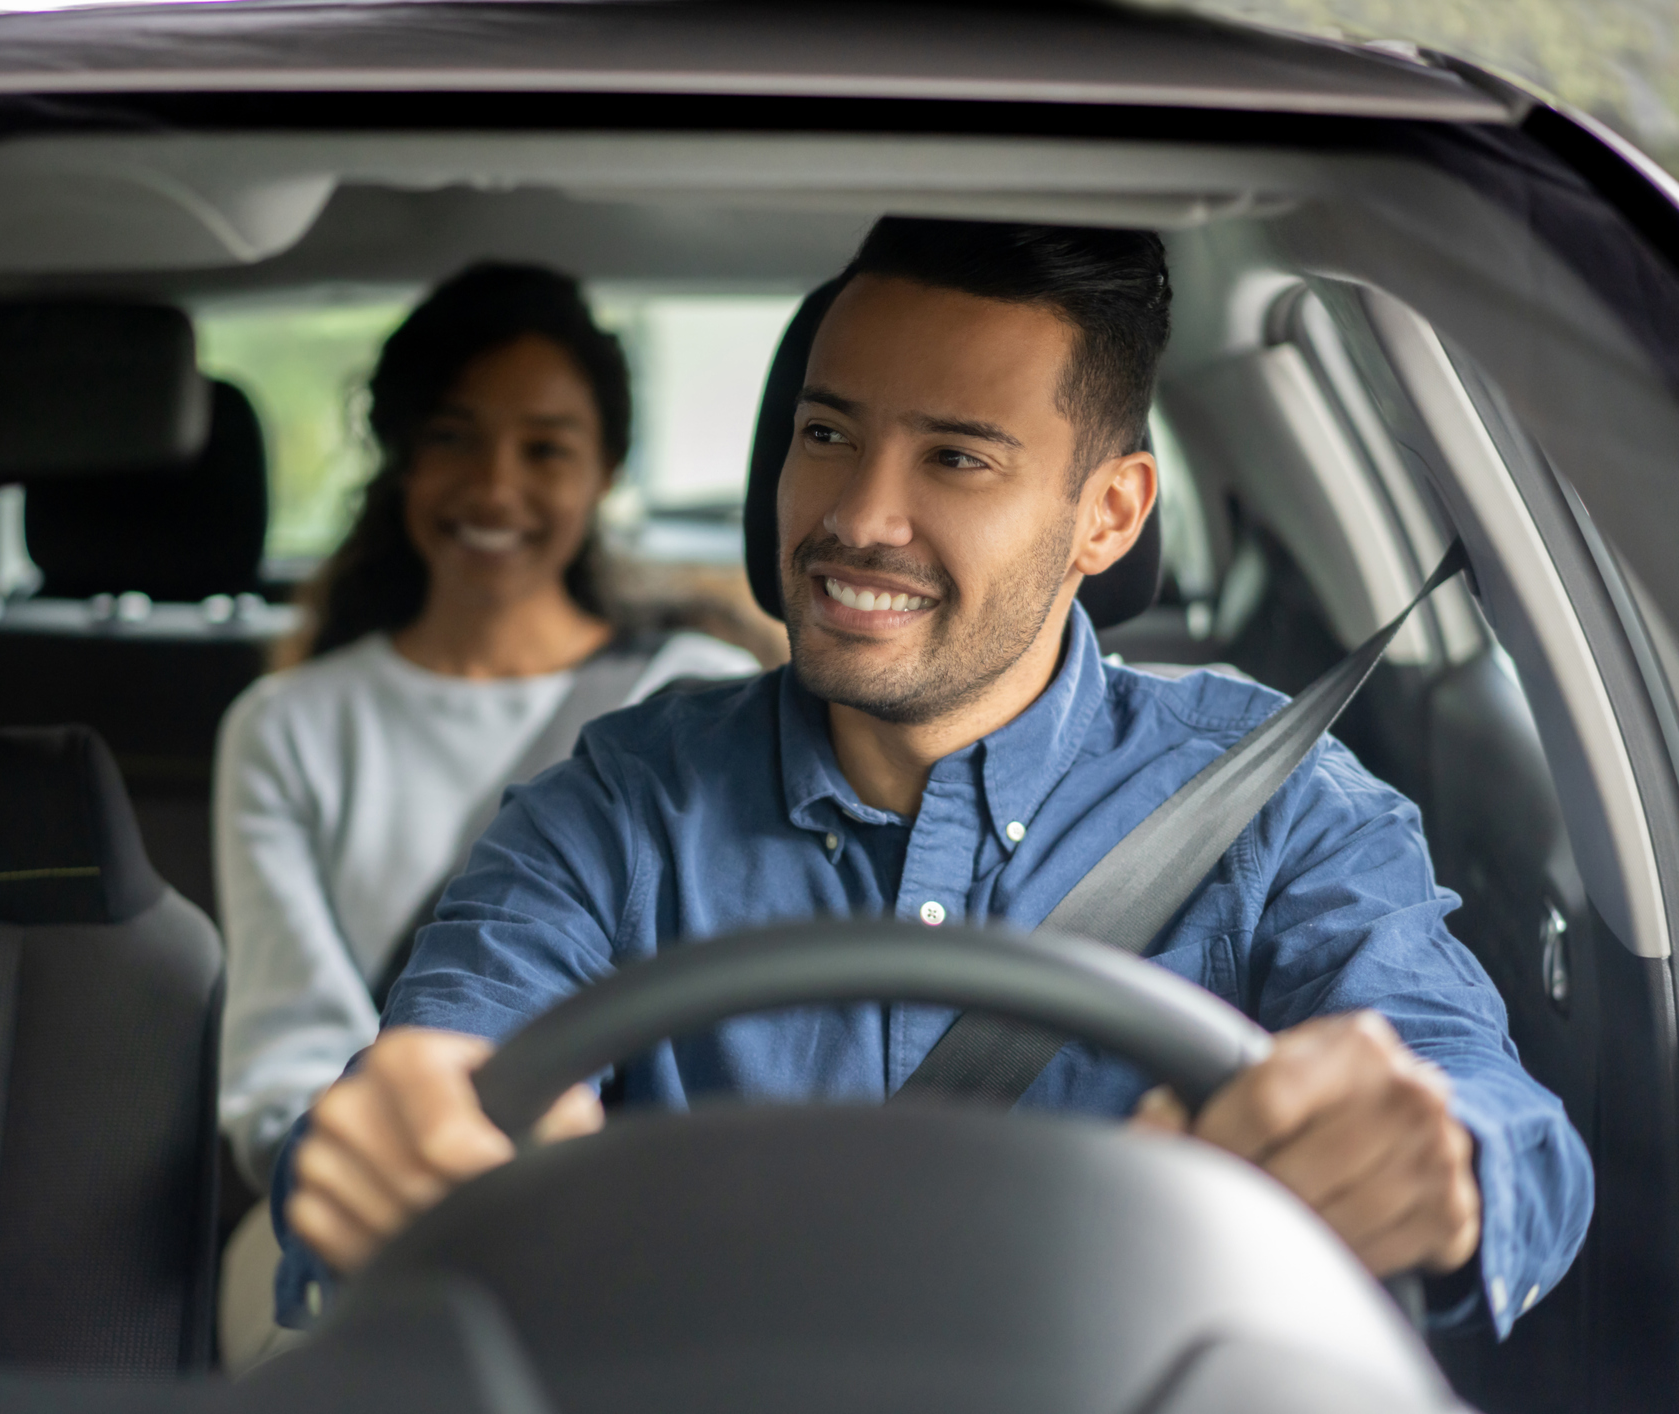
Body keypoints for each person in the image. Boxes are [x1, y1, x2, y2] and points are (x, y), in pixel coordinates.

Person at [269, 220, 1594, 1340]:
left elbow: (1499, 1126)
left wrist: (1442, 1161)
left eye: (955, 457)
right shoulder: (624, 798)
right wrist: (393, 1141)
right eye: (829, 434)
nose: (857, 516)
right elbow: (437, 1070)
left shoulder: (1276, 801)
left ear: (1110, 514)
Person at [212, 263, 757, 1362]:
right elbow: (287, 1049)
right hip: (379, 1195)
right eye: (455, 437)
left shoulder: (694, 700)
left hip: (641, 1193)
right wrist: (391, 1166)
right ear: (405, 456)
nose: (495, 488)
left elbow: (734, 1019)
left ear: (603, 471)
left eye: (545, 448)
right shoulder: (289, 724)